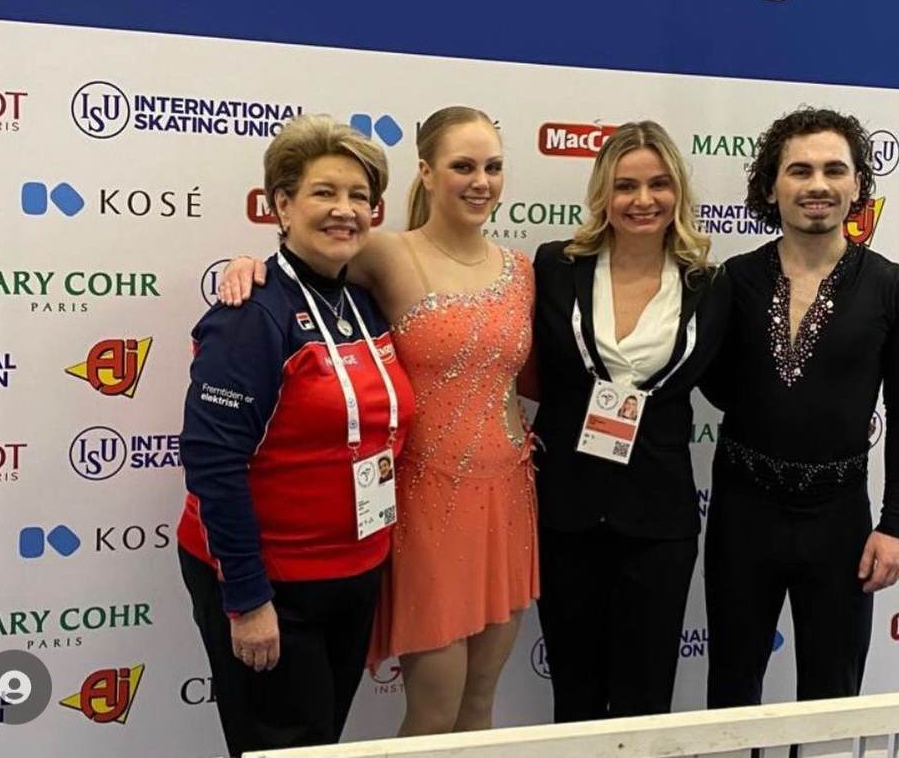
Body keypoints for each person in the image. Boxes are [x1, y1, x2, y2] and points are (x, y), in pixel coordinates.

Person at [220, 106, 538, 736]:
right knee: (434, 711)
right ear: (427, 171)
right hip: (428, 503)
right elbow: (304, 260)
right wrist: (245, 265)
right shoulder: (385, 252)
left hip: (509, 497)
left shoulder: (522, 270)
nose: (481, 181)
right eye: (463, 166)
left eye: (493, 167)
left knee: (481, 704)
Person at [177, 115, 416, 758]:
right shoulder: (253, 314)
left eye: (360, 196)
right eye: (324, 192)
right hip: (274, 583)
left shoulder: (361, 300)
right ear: (282, 204)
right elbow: (213, 464)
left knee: (322, 743)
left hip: (353, 571)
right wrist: (247, 598)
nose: (345, 210)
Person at [702, 107, 899, 707]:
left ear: (858, 185)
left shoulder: (895, 288)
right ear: (770, 187)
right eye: (799, 171)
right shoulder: (734, 280)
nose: (818, 185)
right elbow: (716, 387)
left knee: (832, 700)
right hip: (742, 513)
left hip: (840, 520)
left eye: (834, 170)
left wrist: (896, 526)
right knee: (731, 691)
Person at [530, 121, 731, 721]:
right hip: (567, 512)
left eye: (658, 184)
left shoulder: (710, 285)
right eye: (626, 186)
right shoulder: (555, 266)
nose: (643, 200)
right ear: (603, 194)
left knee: (645, 701)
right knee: (575, 696)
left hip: (659, 521)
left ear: (678, 191)